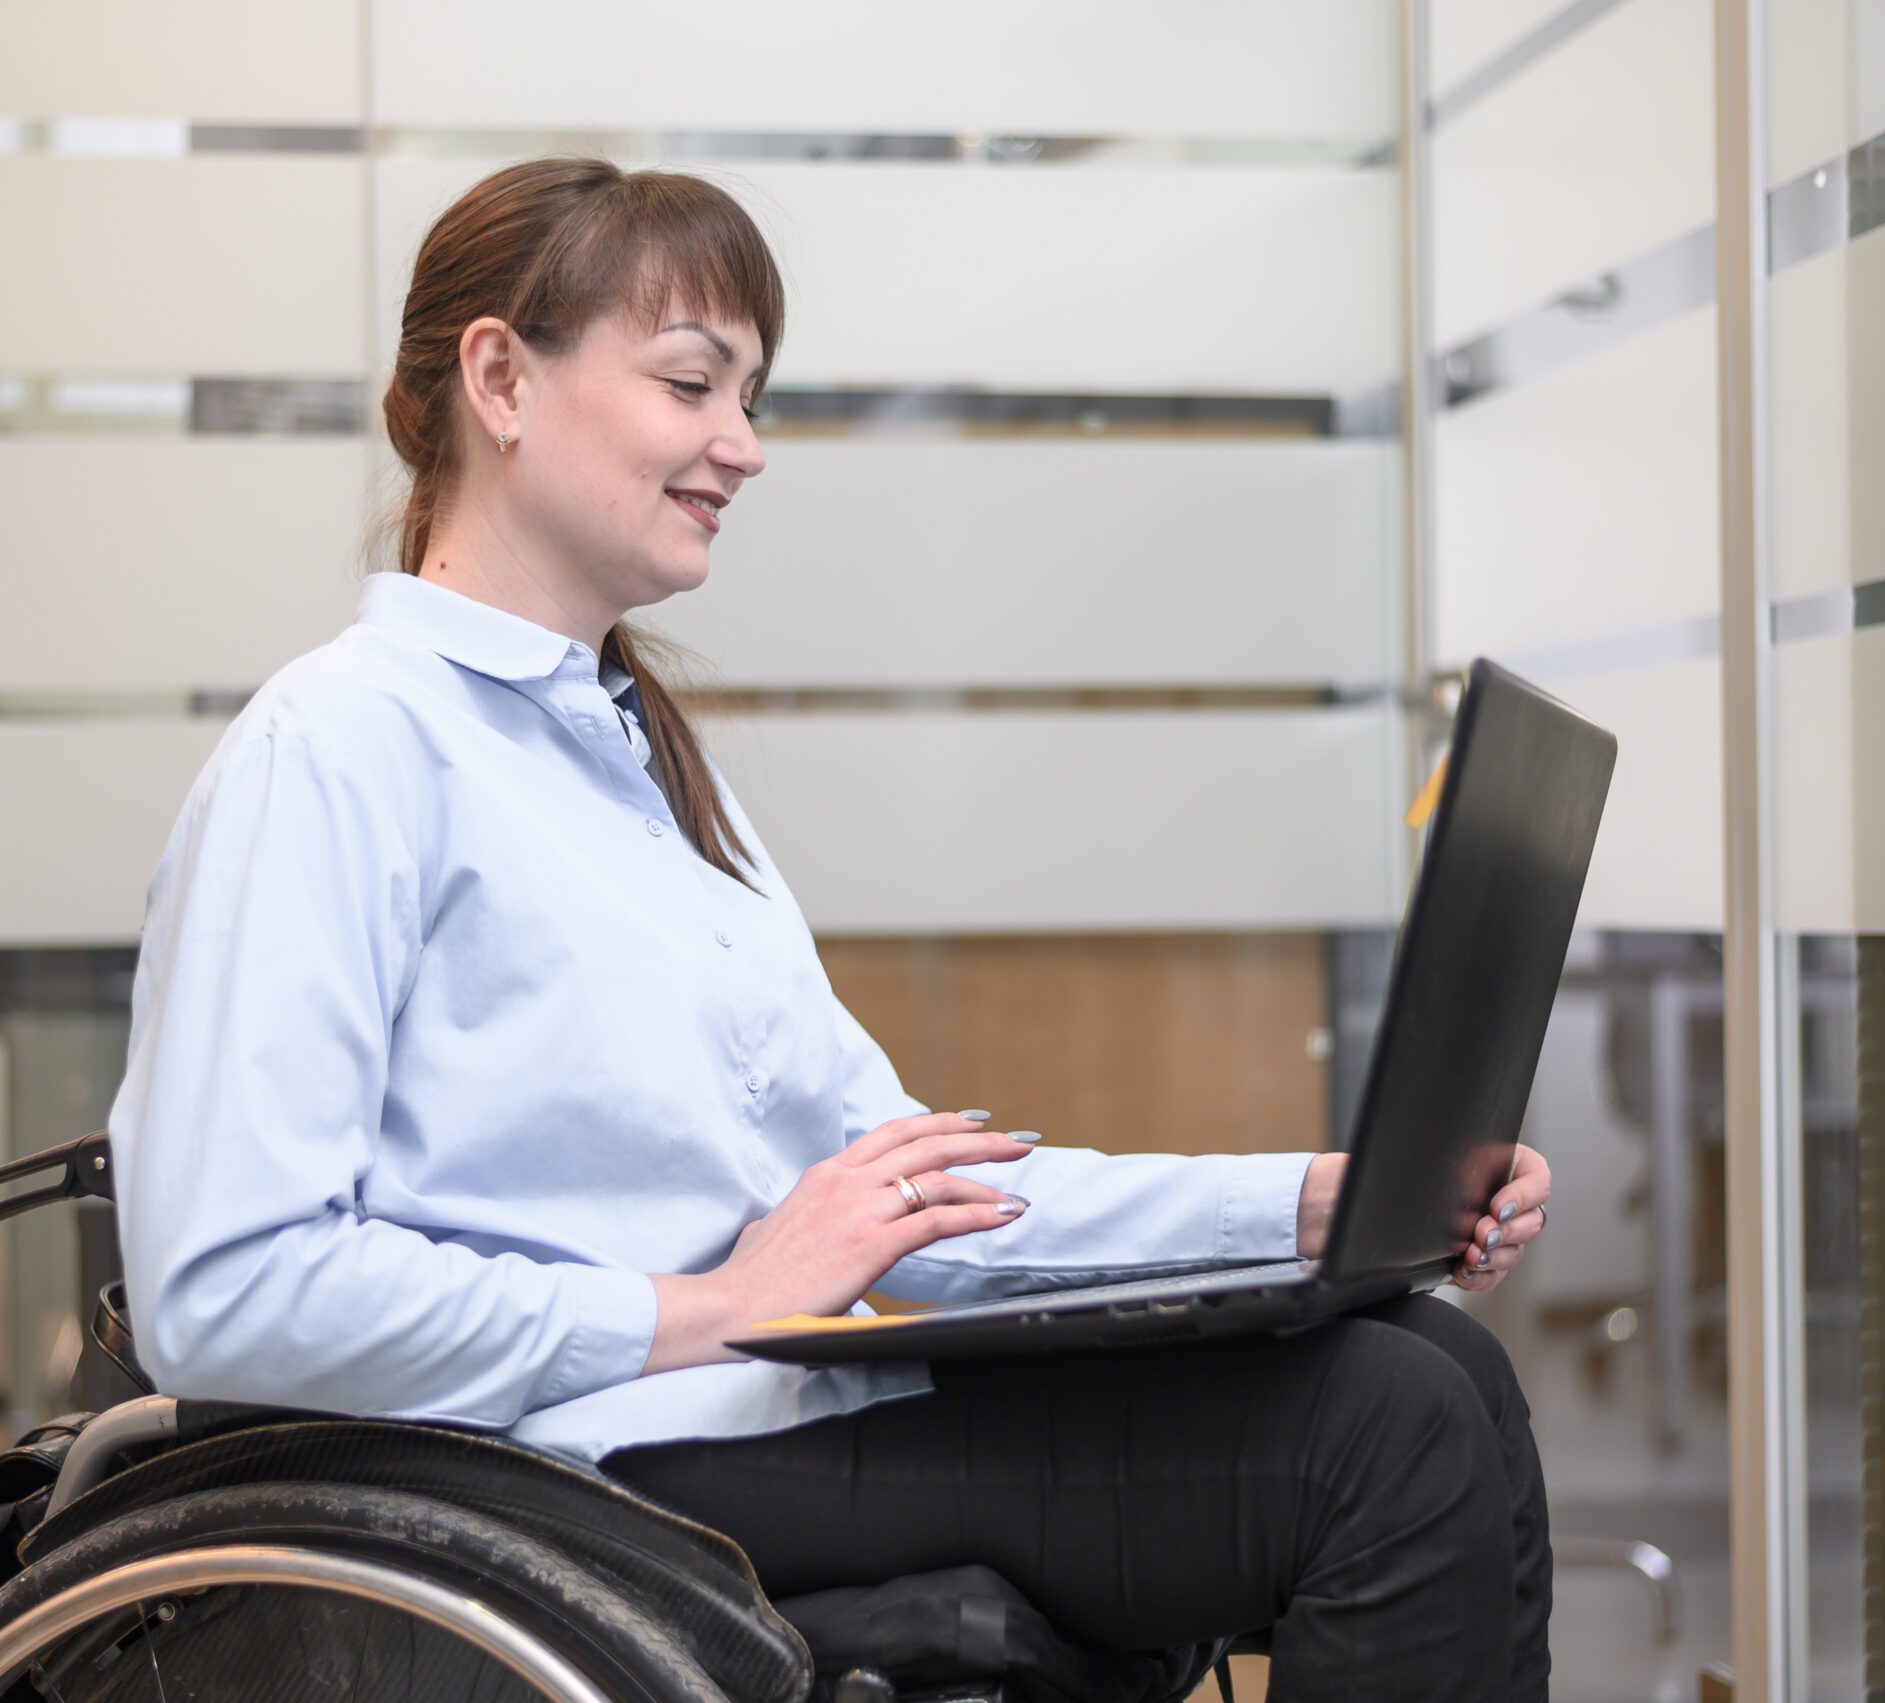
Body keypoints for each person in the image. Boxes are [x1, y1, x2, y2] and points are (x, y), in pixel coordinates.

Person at [108, 155, 1558, 1700]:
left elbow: (916, 1213)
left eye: (750, 396)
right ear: (499, 377)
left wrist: (1315, 1215)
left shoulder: (642, 767)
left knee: (1435, 1363)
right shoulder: (341, 746)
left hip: (747, 1421)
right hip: (557, 1482)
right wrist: (707, 1307)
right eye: (692, 384)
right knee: (1382, 1432)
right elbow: (232, 1293)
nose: (742, 446)